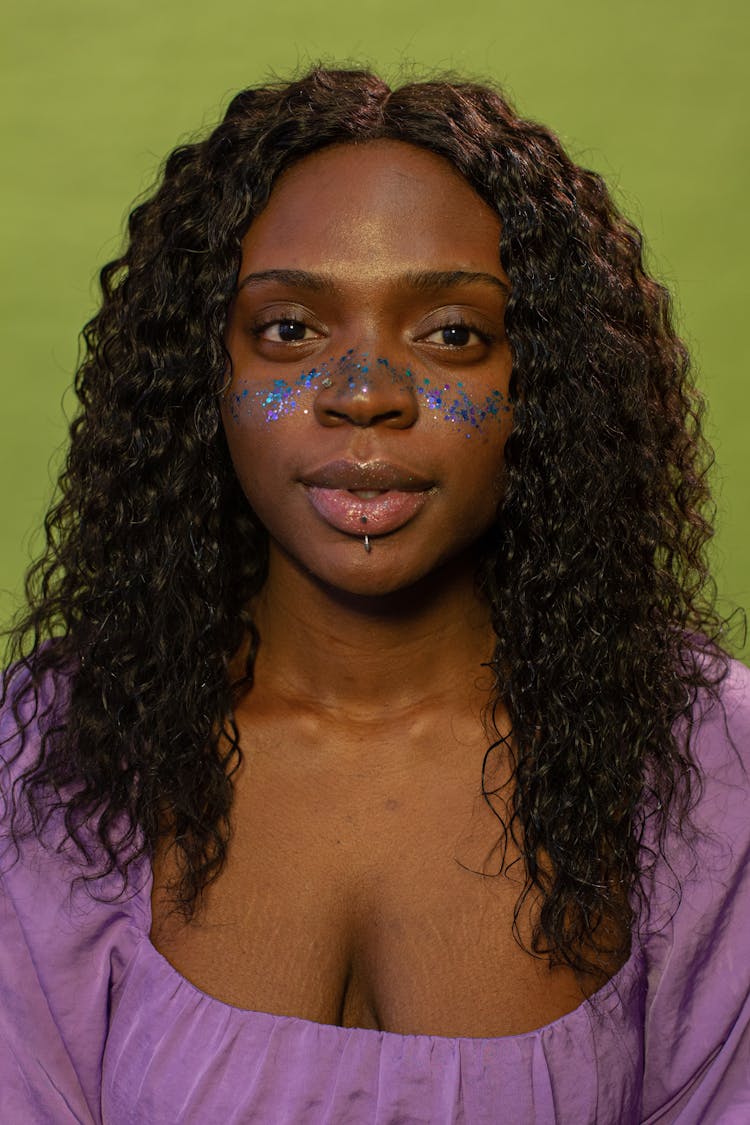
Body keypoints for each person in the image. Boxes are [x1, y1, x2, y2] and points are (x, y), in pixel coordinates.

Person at [1, 66, 748, 1124]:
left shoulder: (713, 762)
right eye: (290, 331)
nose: (364, 395)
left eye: (450, 333)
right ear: (200, 377)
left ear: (544, 381)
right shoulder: (55, 754)